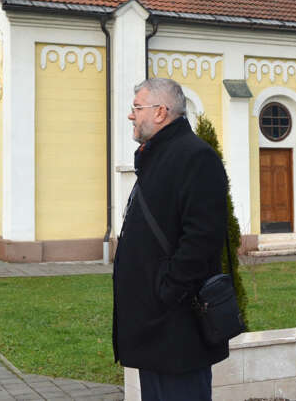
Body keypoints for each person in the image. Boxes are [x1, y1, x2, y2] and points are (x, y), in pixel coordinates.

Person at [113, 78, 230, 401]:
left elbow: (203, 238)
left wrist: (167, 288)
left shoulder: (195, 157)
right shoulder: (156, 157)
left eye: (137, 108)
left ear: (161, 112)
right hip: (155, 325)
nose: (130, 116)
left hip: (177, 327)